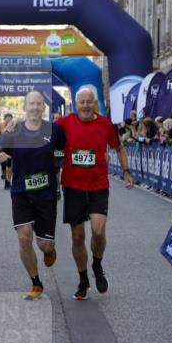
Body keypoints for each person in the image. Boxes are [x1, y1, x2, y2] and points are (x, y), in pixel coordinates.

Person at [0, 90, 63, 300]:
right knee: (24, 237)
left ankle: (49, 249)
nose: (34, 107)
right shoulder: (14, 131)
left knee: (44, 244)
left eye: (38, 104)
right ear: (25, 107)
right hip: (21, 193)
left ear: (43, 107)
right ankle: (36, 283)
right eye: (31, 104)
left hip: (46, 194)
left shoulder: (54, 130)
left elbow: (66, 150)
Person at [56, 85, 133, 300]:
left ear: (95, 103)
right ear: (75, 104)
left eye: (89, 102)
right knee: (77, 237)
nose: (85, 105)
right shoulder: (64, 123)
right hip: (73, 187)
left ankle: (97, 265)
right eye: (82, 102)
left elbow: (119, 148)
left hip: (98, 185)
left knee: (98, 232)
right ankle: (83, 279)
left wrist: (126, 172)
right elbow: (44, 137)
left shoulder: (105, 124)